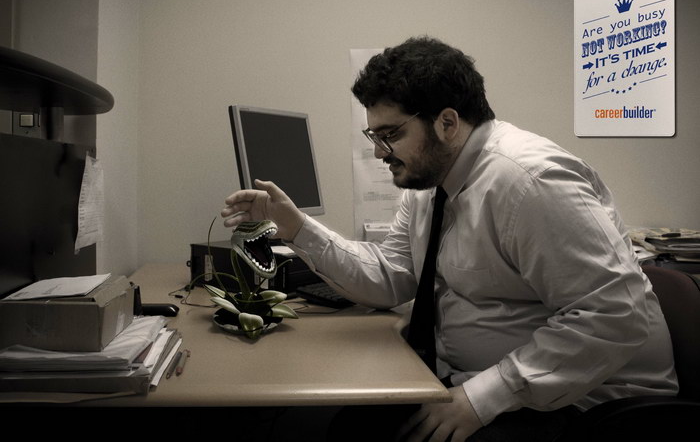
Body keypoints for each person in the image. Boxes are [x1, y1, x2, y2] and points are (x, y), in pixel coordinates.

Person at [221, 37, 678, 441]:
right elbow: (393, 277)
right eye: (374, 135)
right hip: (486, 381)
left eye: (391, 134)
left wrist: (483, 397)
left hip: (584, 398)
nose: (379, 152)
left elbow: (613, 314)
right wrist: (297, 228)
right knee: (353, 428)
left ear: (447, 122)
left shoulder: (529, 183)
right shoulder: (429, 185)